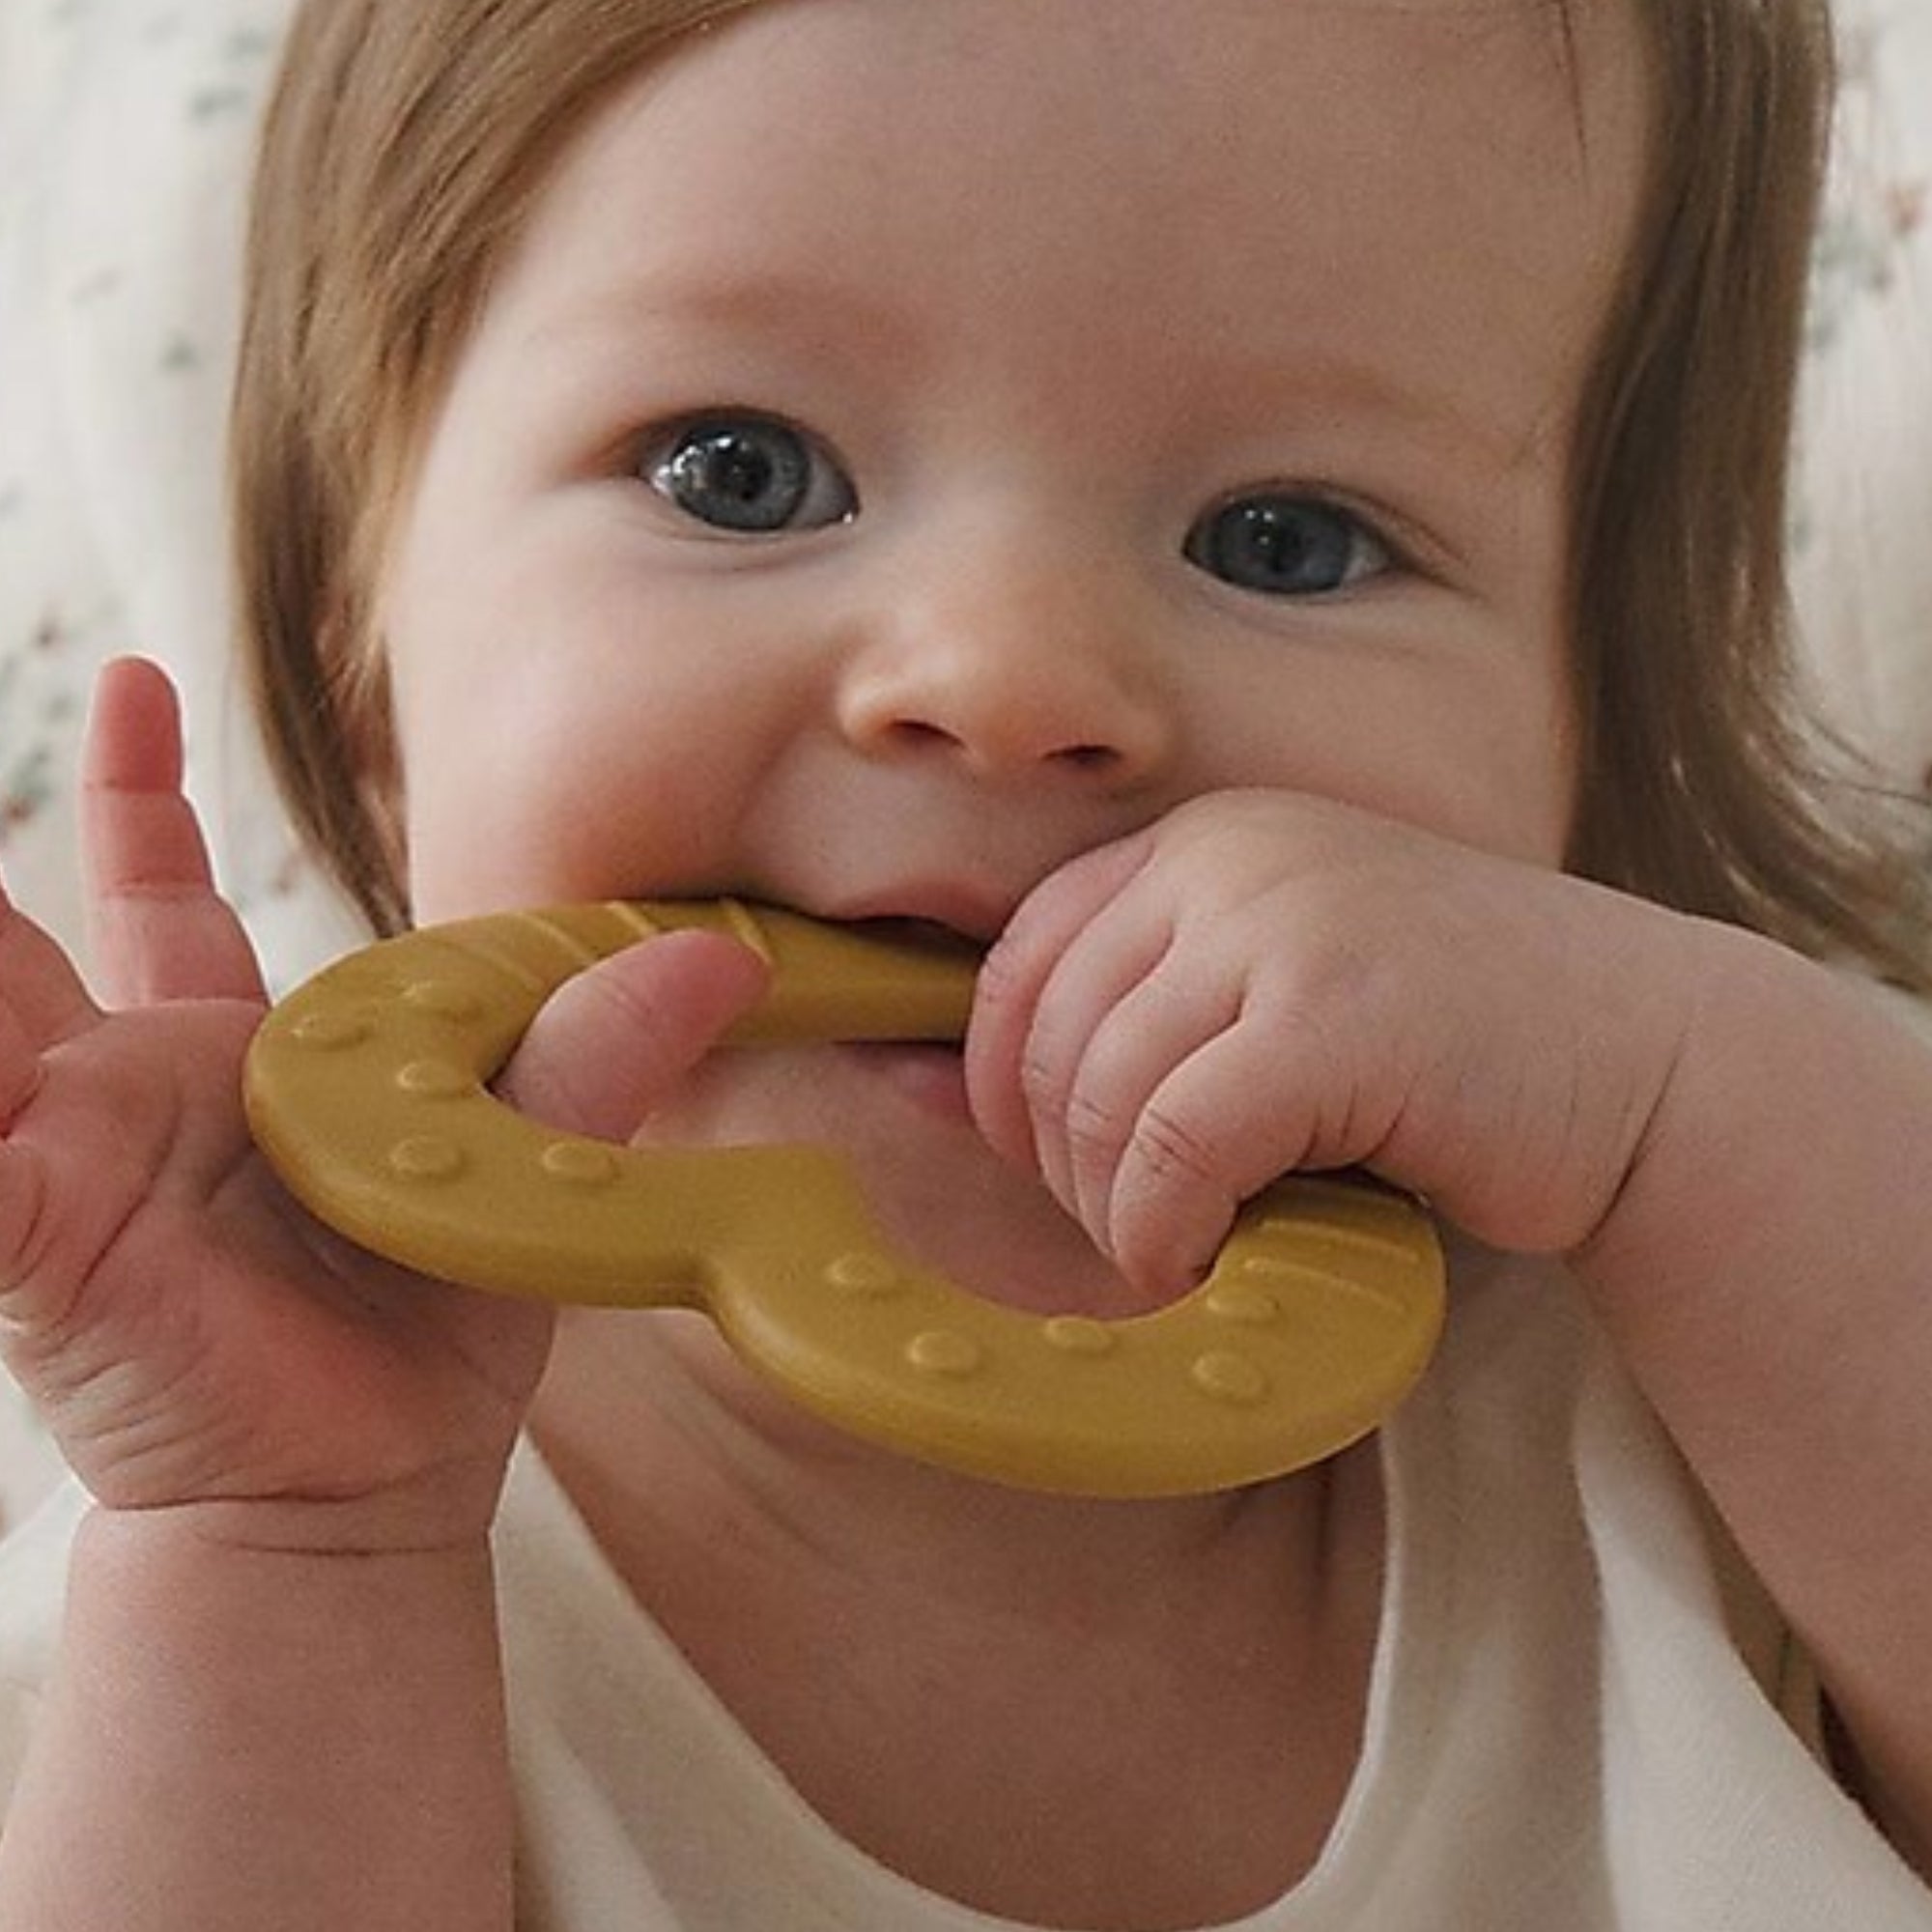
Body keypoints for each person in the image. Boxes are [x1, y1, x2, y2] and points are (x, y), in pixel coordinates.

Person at [2, 0, 1931, 1925]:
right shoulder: (224, 1554)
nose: (1008, 678)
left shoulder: (1715, 1361)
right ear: (362, 675)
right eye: (736, 471)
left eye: (1286, 539)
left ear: (1594, 722)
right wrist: (298, 1561)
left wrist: (1680, 1092)